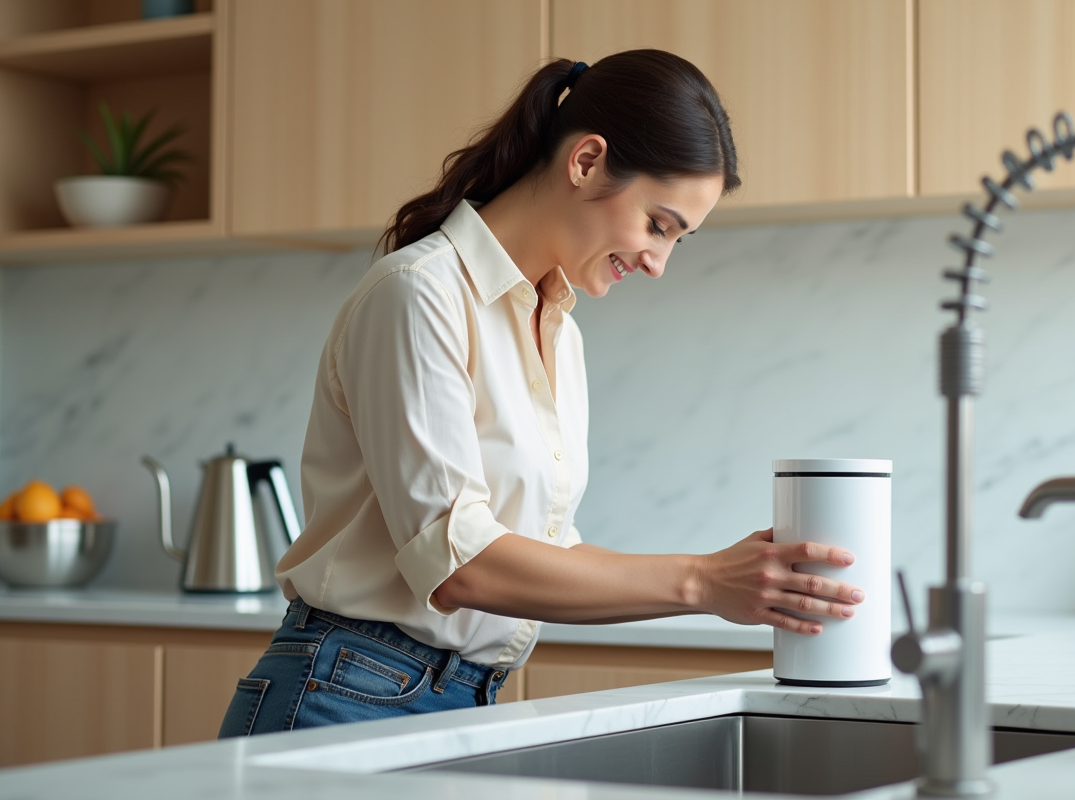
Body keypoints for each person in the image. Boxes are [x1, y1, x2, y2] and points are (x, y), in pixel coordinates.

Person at [218, 49, 865, 738]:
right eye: (659, 224)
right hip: (342, 693)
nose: (658, 263)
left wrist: (736, 580)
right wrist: (703, 582)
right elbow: (460, 561)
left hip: (456, 698)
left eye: (680, 240)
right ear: (586, 162)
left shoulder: (558, 333)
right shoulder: (419, 294)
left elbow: (541, 554)